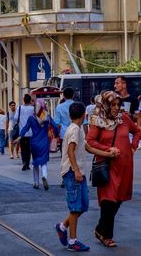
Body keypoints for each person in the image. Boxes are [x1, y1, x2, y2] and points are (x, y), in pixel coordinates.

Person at [55, 102, 115, 252]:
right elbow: (70, 150)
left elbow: (87, 147)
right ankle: (72, 241)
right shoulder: (74, 130)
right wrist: (75, 170)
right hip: (72, 172)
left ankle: (62, 226)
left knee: (83, 206)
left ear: (70, 115)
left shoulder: (78, 129)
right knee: (75, 208)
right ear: (84, 116)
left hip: (78, 172)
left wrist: (107, 154)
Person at [86, 91, 141, 247]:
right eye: (113, 105)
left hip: (125, 166)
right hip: (107, 166)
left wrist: (133, 147)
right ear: (106, 105)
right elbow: (89, 141)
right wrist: (108, 149)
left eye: (118, 104)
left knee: (118, 199)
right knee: (108, 201)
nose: (116, 108)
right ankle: (106, 235)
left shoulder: (124, 119)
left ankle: (99, 229)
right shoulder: (98, 121)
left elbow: (138, 131)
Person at [16, 99, 58, 189]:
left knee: (35, 163)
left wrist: (20, 137)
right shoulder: (47, 116)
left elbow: (25, 128)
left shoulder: (31, 118)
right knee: (43, 162)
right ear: (43, 106)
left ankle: (36, 182)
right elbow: (55, 126)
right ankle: (44, 176)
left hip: (34, 142)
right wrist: (57, 135)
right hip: (44, 142)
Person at [14, 94, 35, 171]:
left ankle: (24, 162)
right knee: (29, 149)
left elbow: (16, 118)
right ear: (30, 100)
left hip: (22, 132)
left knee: (23, 148)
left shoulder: (19, 108)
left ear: (23, 100)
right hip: (31, 132)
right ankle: (28, 164)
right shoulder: (32, 109)